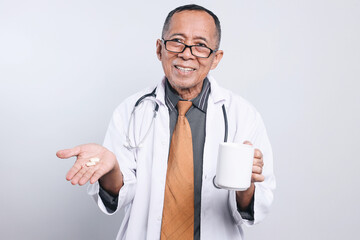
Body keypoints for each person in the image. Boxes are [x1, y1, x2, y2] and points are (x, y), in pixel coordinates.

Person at [56, 4, 275, 240]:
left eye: (201, 45)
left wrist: (245, 184)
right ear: (160, 49)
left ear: (216, 58)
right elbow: (119, 196)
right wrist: (112, 169)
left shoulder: (242, 115)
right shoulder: (131, 111)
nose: (186, 53)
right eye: (177, 41)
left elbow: (256, 208)